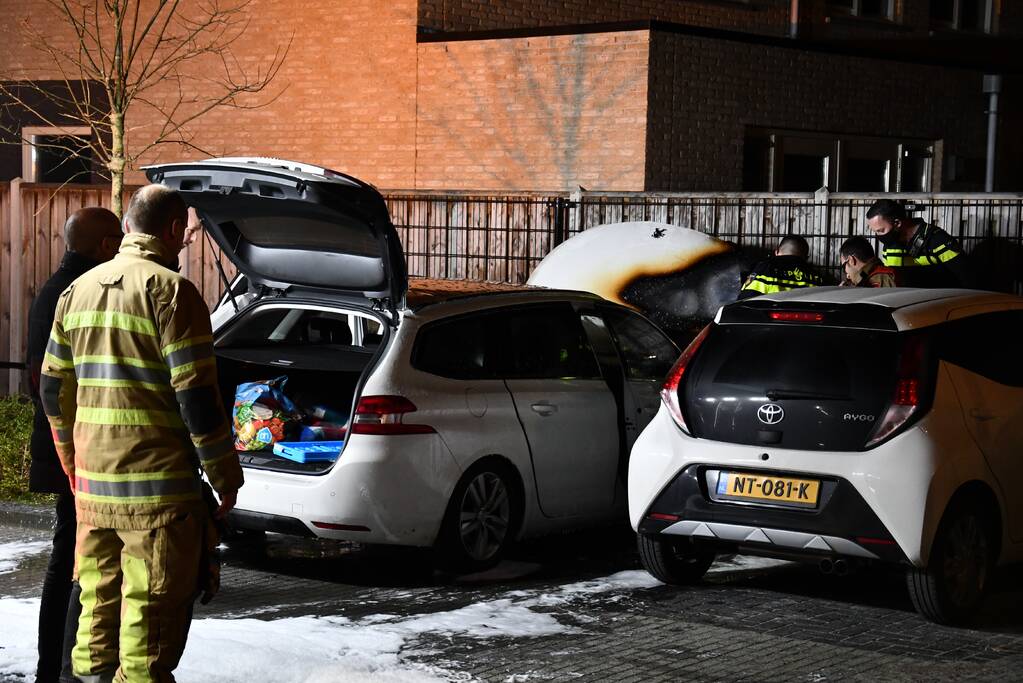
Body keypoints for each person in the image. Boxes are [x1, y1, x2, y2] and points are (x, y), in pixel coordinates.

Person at [39, 184, 243, 682]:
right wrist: (224, 476)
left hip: (93, 491)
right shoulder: (173, 292)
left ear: (128, 225)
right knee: (148, 629)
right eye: (186, 233)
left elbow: (51, 390)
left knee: (95, 622)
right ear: (174, 230)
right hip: (156, 500)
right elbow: (197, 398)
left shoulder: (75, 291)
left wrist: (72, 463)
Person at [26, 208, 123, 683]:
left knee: (70, 556)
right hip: (75, 454)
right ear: (106, 246)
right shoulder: (75, 293)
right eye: (119, 240)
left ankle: (59, 666)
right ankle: (58, 668)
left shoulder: (62, 287)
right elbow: (45, 383)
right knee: (70, 561)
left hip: (69, 451)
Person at [865, 198, 975, 288]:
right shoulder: (890, 245)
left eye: (880, 231)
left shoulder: (938, 240)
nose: (878, 236)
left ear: (897, 223)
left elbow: (967, 279)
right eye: (875, 232)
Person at [737, 235, 826, 299]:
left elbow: (745, 299)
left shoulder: (765, 268)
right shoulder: (818, 278)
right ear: (806, 257)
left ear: (777, 252)